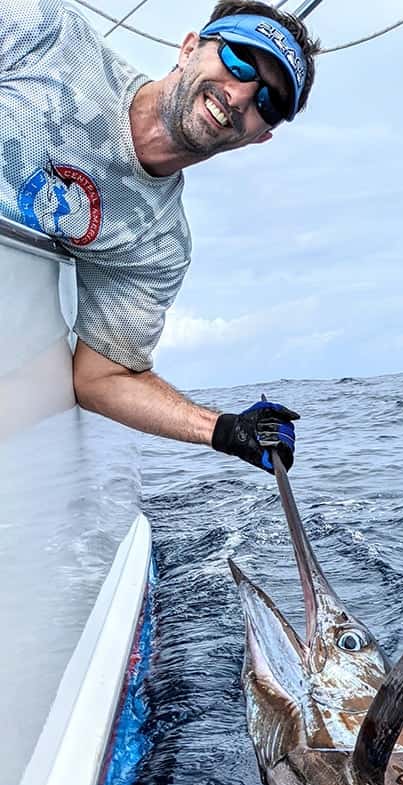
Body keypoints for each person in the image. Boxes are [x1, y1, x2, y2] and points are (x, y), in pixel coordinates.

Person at [0, 0, 321, 471]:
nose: (240, 95)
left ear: (260, 137)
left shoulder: (159, 248)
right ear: (189, 47)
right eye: (238, 61)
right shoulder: (49, 34)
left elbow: (101, 377)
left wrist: (225, 430)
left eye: (267, 103)